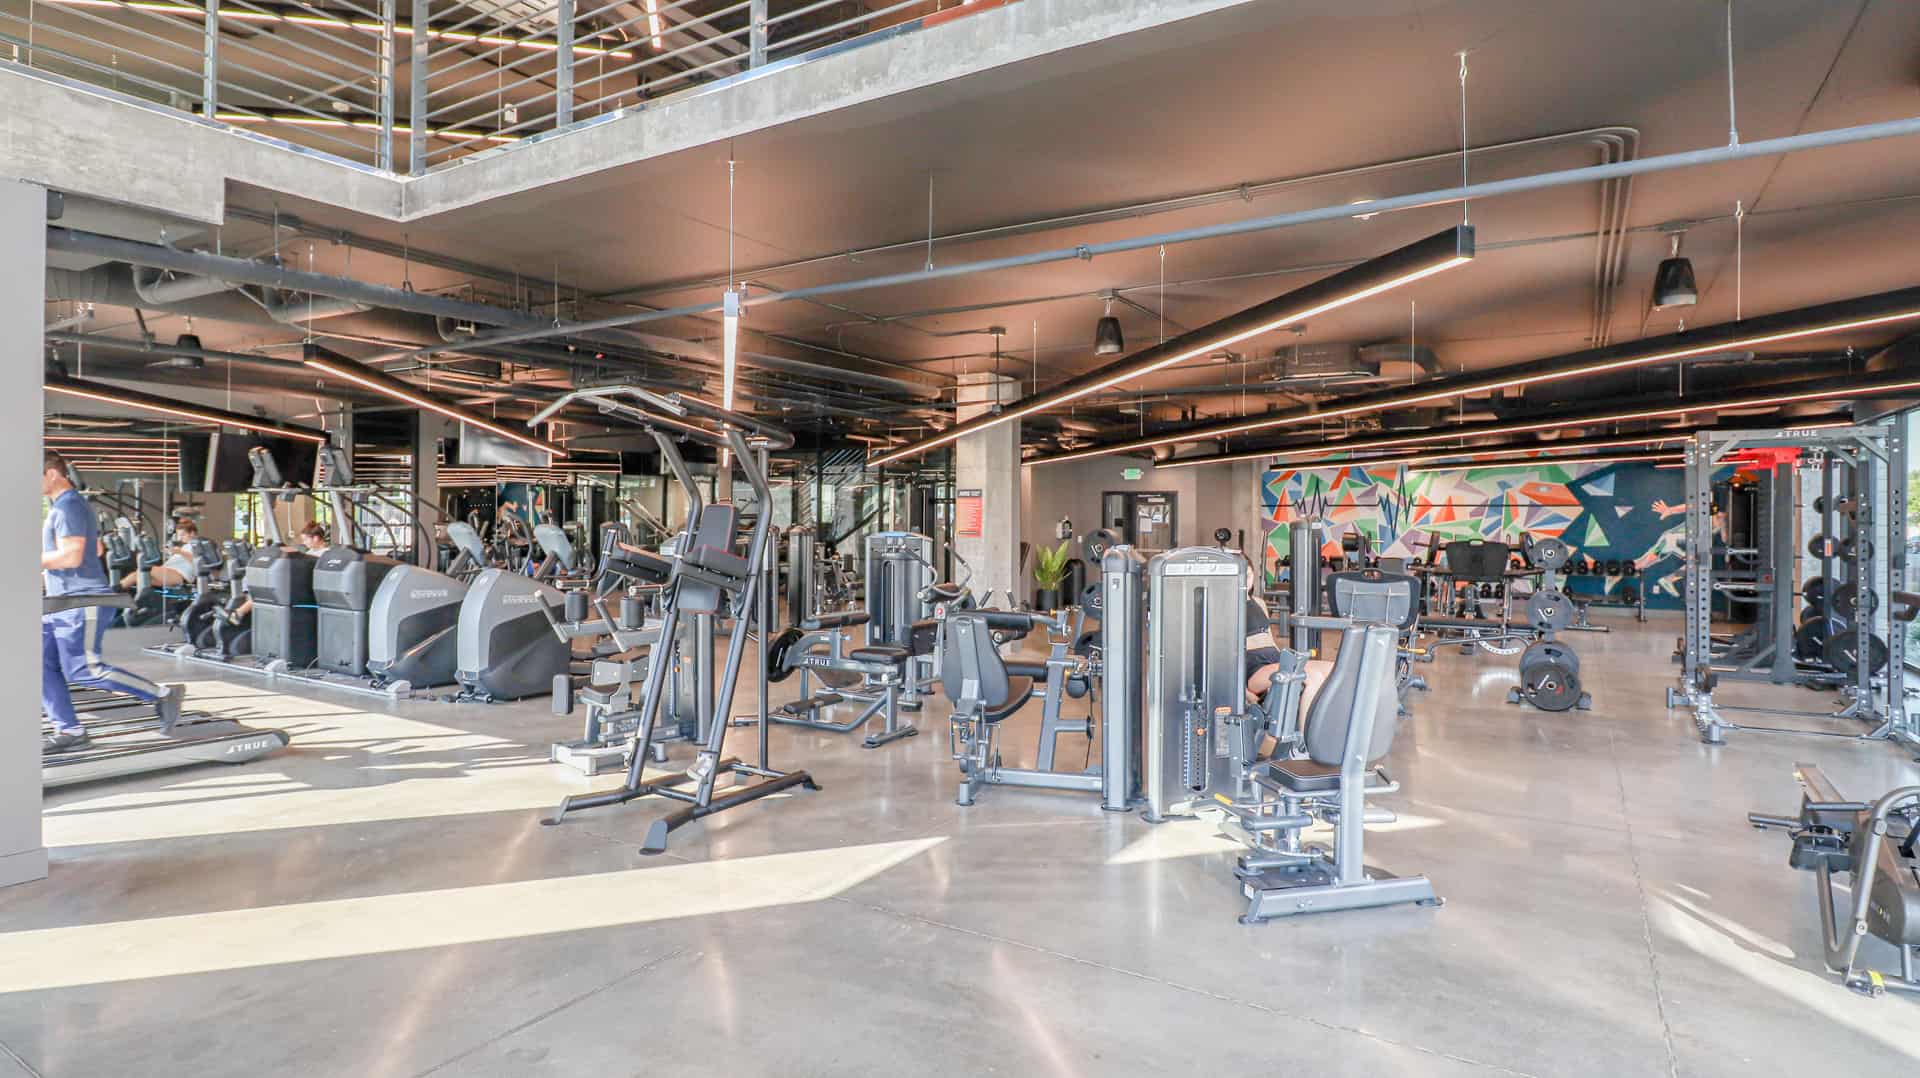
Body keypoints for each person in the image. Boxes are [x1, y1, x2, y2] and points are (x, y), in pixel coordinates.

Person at [42, 451, 181, 753]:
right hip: (59, 601)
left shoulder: (68, 506)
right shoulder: (63, 508)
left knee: (84, 669)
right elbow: (96, 549)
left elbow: (71, 556)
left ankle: (162, 694)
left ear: (51, 474)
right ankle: (69, 729)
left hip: (81, 601)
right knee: (38, 662)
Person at [118, 518, 203, 591]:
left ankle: (114, 591)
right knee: (138, 578)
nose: (180, 538)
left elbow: (198, 561)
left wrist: (179, 552)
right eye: (179, 535)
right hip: (170, 571)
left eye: (183, 535)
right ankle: (117, 592)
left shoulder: (198, 544)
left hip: (179, 575)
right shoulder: (185, 547)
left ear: (192, 533)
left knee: (142, 571)